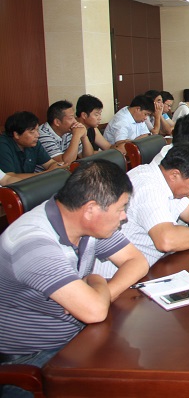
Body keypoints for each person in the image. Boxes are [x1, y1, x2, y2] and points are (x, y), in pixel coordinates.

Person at [0, 161, 148, 383]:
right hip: (35, 357)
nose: (123, 217)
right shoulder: (33, 243)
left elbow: (137, 261)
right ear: (90, 209)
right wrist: (96, 282)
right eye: (120, 209)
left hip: (80, 335)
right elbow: (94, 312)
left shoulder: (85, 224)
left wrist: (101, 291)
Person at [94, 144, 189, 277]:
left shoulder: (165, 180)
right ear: (175, 174)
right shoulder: (148, 187)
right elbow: (166, 240)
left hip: (151, 266)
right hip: (117, 277)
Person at [0, 111, 67, 176]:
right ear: (16, 134)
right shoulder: (3, 145)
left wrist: (57, 166)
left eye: (37, 130)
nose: (37, 135)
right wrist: (46, 173)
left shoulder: (34, 143)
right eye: (32, 132)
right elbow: (9, 177)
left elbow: (50, 163)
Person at [38, 100, 90, 164]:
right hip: (50, 170)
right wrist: (76, 136)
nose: (75, 121)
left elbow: (88, 158)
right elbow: (63, 163)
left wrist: (84, 137)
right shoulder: (42, 135)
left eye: (74, 117)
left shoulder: (68, 131)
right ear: (57, 122)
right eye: (71, 118)